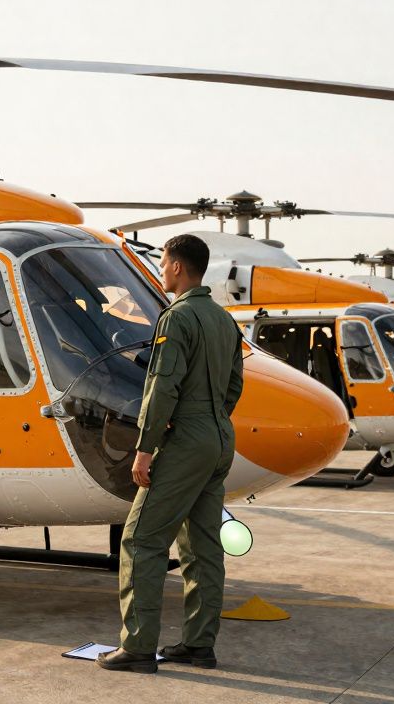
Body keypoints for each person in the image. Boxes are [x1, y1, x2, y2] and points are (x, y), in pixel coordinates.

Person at [97, 234, 244, 674]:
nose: (161, 271)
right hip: (219, 436)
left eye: (163, 263)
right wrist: (212, 419)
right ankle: (199, 644)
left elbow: (162, 387)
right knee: (202, 546)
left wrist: (145, 449)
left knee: (141, 540)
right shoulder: (223, 320)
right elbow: (235, 384)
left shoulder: (176, 318)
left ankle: (138, 647)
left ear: (178, 267)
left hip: (186, 439)